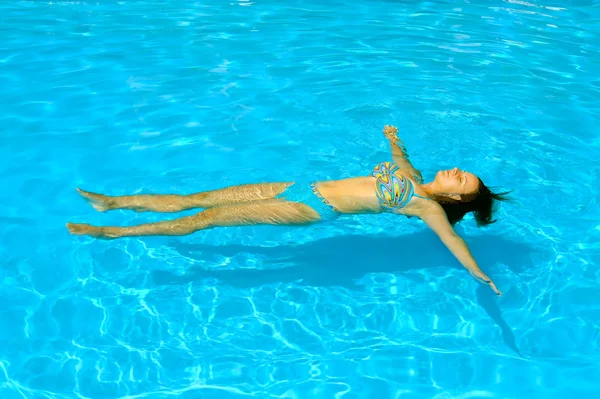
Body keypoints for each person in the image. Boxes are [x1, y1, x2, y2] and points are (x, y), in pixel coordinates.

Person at [67, 125, 511, 295]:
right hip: (299, 185)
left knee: (204, 221)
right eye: (460, 170)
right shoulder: (413, 178)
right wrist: (394, 139)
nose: (455, 170)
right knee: (199, 198)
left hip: (309, 208)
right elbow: (398, 159)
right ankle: (113, 202)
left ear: (455, 199)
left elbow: (452, 239)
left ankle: (113, 233)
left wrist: (477, 272)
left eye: (461, 180)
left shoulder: (427, 207)